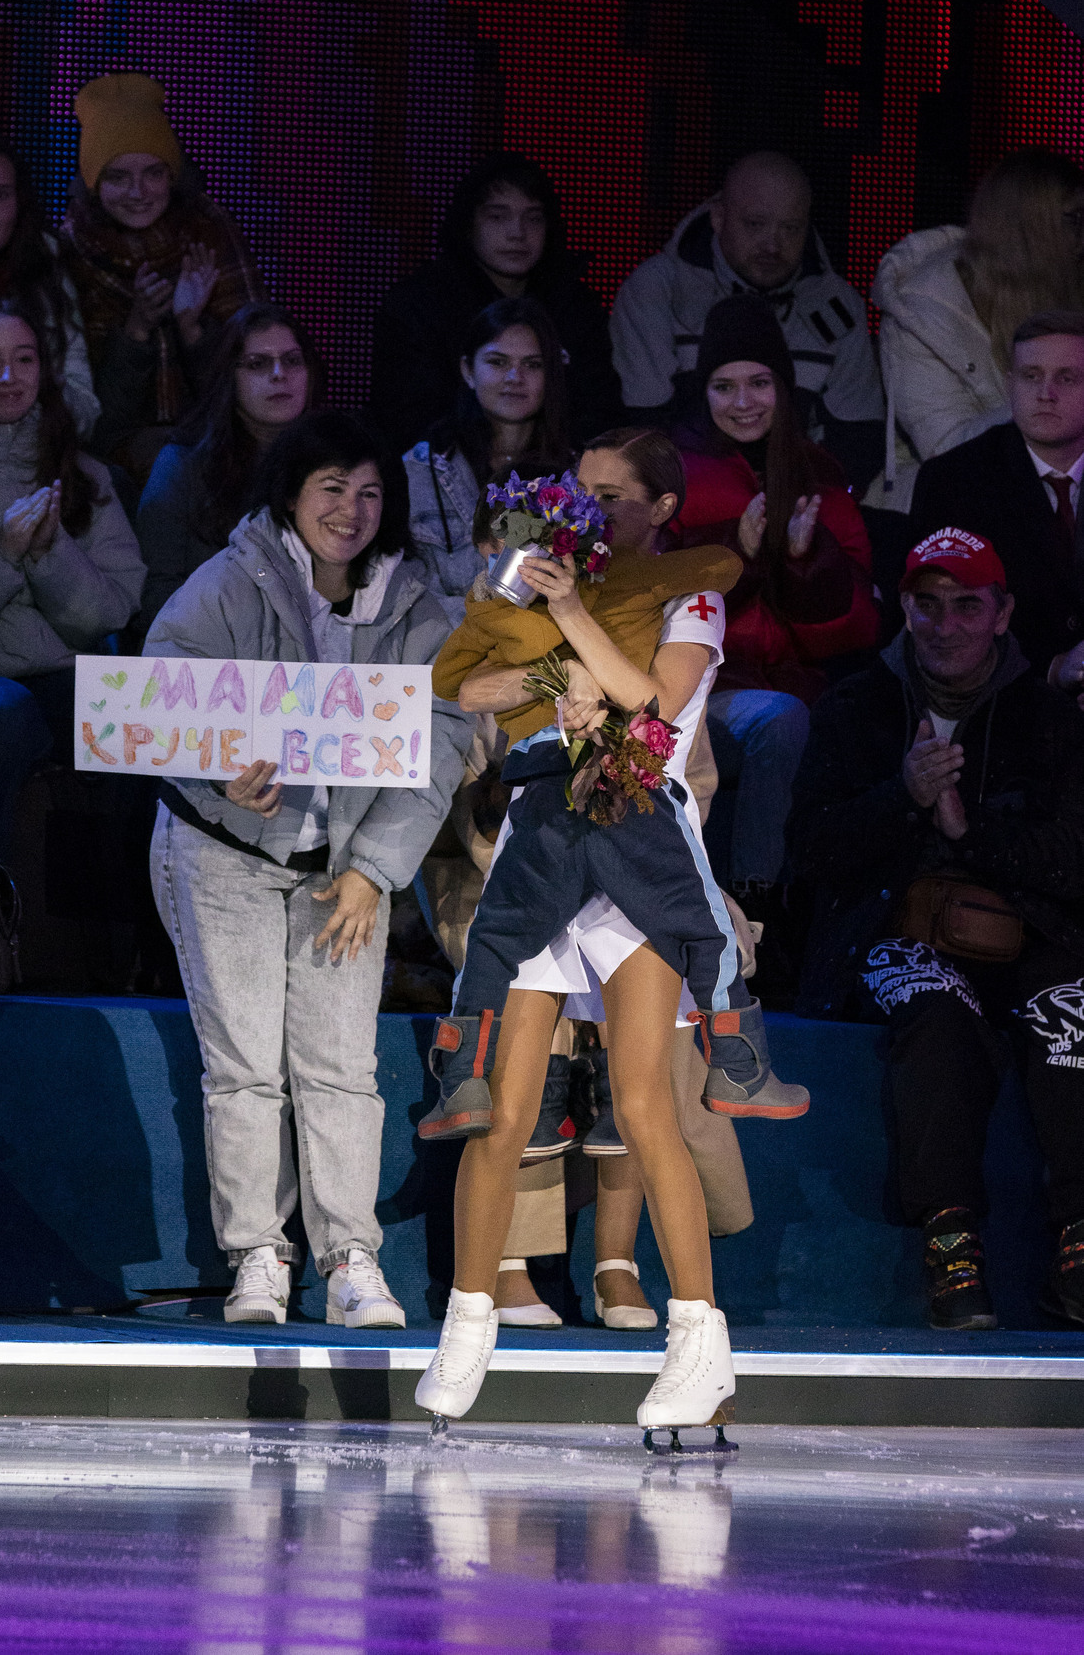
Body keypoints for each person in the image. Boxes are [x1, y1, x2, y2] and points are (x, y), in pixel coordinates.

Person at [412, 436, 807, 1435]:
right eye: (576, 492)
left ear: (661, 506)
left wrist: (570, 626)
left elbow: (653, 702)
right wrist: (552, 670)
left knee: (640, 1103)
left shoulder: (688, 595)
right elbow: (463, 686)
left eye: (609, 495)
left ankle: (699, 1344)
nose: (585, 511)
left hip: (639, 847)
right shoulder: (546, 586)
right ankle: (467, 1321)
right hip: (541, 839)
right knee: (503, 1106)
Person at [144, 412, 472, 1330]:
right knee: (246, 1066)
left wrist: (374, 867)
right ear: (291, 493)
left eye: (370, 492)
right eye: (332, 488)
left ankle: (350, 1259)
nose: (351, 510)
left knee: (340, 1067)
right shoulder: (230, 580)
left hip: (343, 869)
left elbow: (443, 737)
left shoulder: (416, 604)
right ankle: (259, 1254)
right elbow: (160, 695)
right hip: (224, 852)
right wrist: (219, 768)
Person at [788, 529, 1084, 1329]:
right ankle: (952, 1253)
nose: (945, 625)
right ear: (904, 608)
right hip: (898, 931)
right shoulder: (856, 707)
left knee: (1073, 1015)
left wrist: (968, 831)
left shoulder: (1050, 720)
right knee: (939, 1014)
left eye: (967, 606)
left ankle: (1079, 1250)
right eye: (928, 605)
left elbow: (1073, 860)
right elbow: (809, 850)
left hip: (1032, 935)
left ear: (1003, 613)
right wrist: (904, 797)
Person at [664, 293, 878, 922]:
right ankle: (756, 906)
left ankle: (786, 918)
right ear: (702, 391)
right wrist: (738, 551)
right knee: (780, 720)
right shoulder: (669, 469)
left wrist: (808, 560)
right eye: (724, 386)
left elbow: (857, 627)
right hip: (695, 691)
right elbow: (646, 595)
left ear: (783, 388)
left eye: (759, 383)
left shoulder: (820, 474)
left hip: (797, 688)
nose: (743, 401)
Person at [0, 300, 145, 856]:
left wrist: (48, 555)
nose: (8, 376)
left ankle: (125, 905)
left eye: (24, 359)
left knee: (145, 718)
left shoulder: (85, 476)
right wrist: (2, 555)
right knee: (3, 712)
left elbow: (107, 616)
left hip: (57, 671)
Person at [610, 151, 883, 493]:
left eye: (791, 228)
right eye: (755, 224)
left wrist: (796, 506)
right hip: (682, 498)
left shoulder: (839, 306)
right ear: (718, 217)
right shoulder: (657, 290)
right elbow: (643, 428)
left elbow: (857, 442)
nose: (772, 245)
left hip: (797, 500)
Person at [59, 73, 268, 486]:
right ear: (93, 183)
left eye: (153, 173)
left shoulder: (209, 230)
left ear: (172, 176)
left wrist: (192, 329)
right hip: (109, 465)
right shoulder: (71, 251)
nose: (138, 192)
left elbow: (254, 376)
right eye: (118, 177)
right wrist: (136, 331)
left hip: (216, 448)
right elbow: (85, 411)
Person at [872, 148, 1084, 510]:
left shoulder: (1072, 284)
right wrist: (1045, 397)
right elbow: (950, 452)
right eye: (1074, 219)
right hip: (952, 510)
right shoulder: (919, 316)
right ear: (1031, 230)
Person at [369, 151, 620, 454]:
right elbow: (405, 417)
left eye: (533, 218)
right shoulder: (418, 305)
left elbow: (600, 413)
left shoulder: (576, 307)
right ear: (468, 224)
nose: (517, 233)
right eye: (498, 216)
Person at [909, 311, 1084, 687]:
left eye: (1066, 378)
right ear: (1010, 384)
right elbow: (939, 627)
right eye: (1031, 376)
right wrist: (1054, 668)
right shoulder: (954, 481)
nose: (1046, 394)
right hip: (1004, 699)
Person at [133, 303, 323, 635]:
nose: (279, 374)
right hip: (203, 649)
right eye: (258, 363)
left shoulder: (335, 466)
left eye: (293, 361)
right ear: (229, 377)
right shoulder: (181, 466)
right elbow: (156, 595)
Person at [404, 296, 574, 625]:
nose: (515, 376)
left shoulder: (579, 475)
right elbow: (407, 593)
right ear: (468, 370)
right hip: (440, 645)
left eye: (533, 365)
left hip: (547, 646)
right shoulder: (421, 470)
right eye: (497, 362)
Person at [0, 130, 99, 439]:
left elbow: (83, 402)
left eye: (1, 194)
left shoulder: (49, 270)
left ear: (19, 202)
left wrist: (37, 414)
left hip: (36, 450)